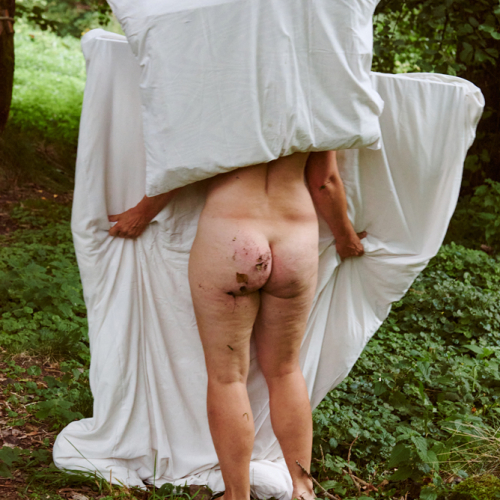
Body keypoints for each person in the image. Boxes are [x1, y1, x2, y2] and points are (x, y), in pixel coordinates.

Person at [108, 150, 366, 500]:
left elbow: (183, 165)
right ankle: (303, 489)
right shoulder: (314, 111)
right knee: (286, 370)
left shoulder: (216, 109)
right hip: (294, 238)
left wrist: (141, 213)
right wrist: (346, 236)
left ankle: (237, 495)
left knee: (227, 377)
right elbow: (325, 182)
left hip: (231, 233)